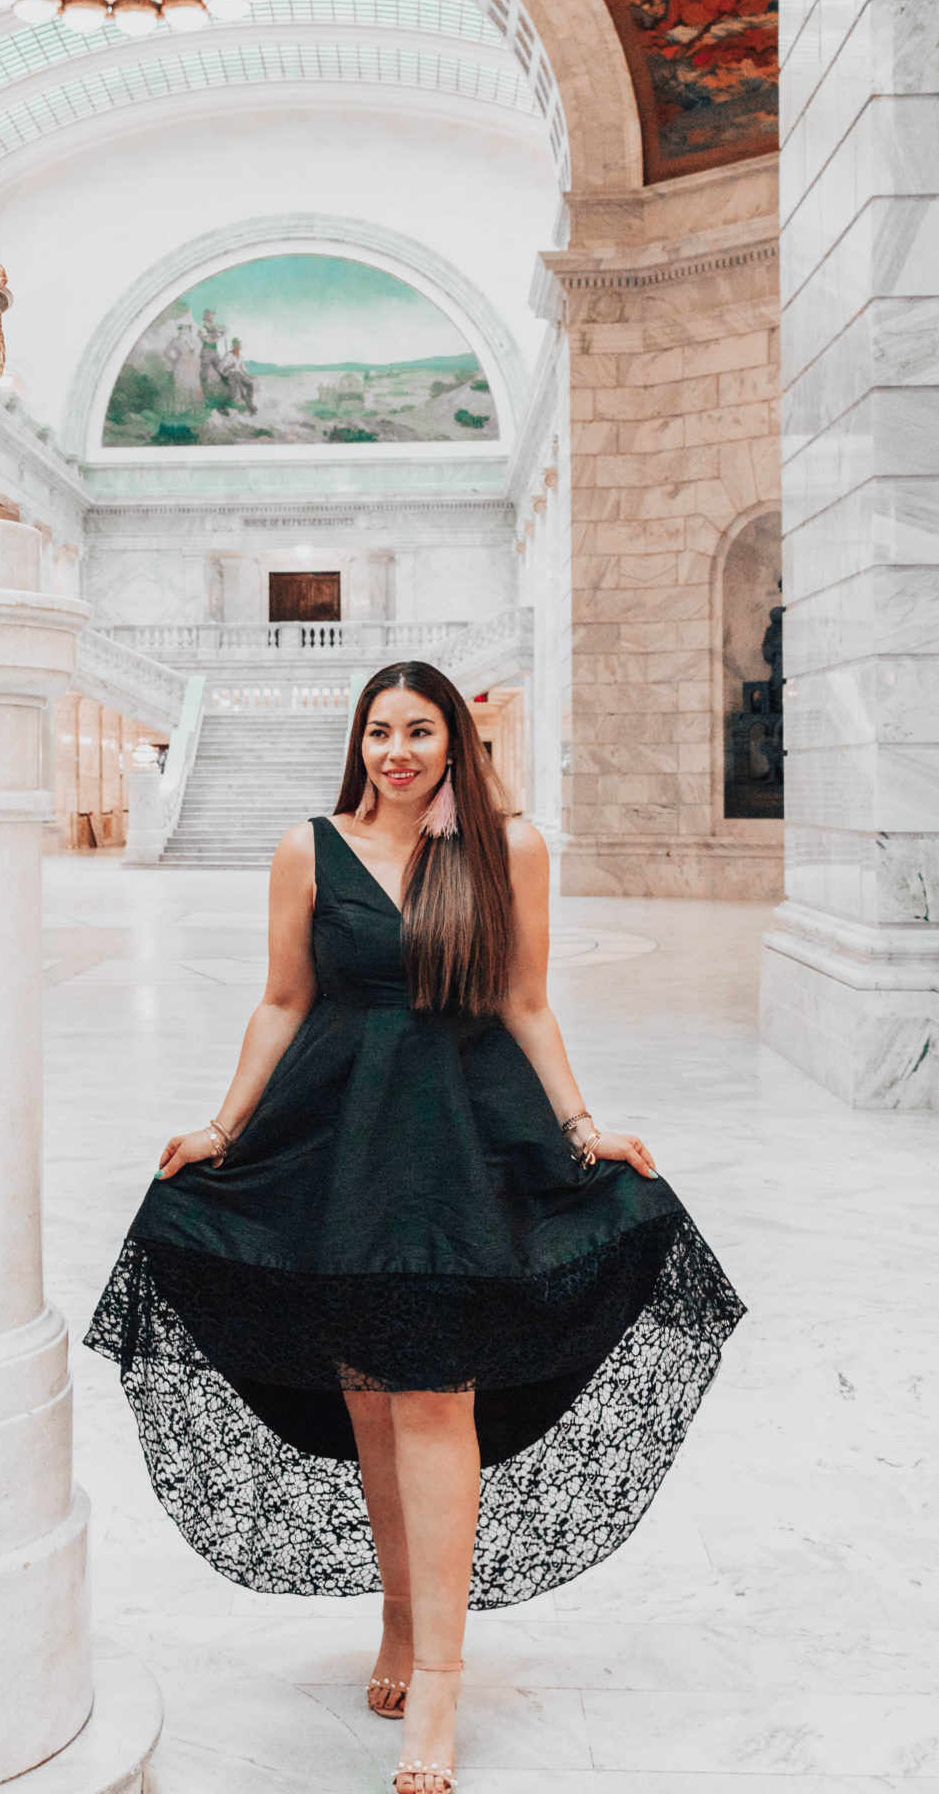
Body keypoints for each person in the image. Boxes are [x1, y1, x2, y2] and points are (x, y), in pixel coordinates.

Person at [87, 660, 744, 1794]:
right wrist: (221, 1126)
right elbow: (285, 998)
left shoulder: (509, 849)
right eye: (380, 730)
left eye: (419, 730)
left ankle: (438, 1672)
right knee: (370, 1395)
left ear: (454, 741)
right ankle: (399, 1614)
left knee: (437, 1393)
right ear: (360, 740)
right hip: (337, 1135)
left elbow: (526, 999)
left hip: (462, 1140)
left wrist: (585, 1125)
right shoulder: (310, 846)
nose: (397, 750)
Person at [161, 317, 203, 410]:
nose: (186, 330)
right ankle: (181, 412)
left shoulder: (193, 341)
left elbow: (196, 353)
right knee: (181, 389)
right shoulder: (176, 341)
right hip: (181, 368)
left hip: (192, 368)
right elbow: (166, 353)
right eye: (183, 328)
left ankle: (194, 412)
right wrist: (174, 360)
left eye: (187, 328)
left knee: (194, 388)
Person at [219, 334, 257, 415]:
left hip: (238, 374)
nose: (241, 346)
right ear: (235, 345)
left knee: (250, 384)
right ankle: (221, 406)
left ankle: (250, 403)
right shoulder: (228, 355)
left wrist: (249, 375)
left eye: (240, 344)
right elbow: (221, 367)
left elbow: (243, 368)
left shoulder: (239, 356)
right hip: (231, 374)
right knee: (232, 394)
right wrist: (229, 366)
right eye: (240, 344)